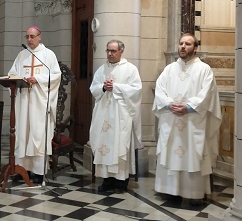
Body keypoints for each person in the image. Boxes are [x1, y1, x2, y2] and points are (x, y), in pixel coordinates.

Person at [153, 33, 222, 203]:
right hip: (171, 119)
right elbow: (159, 89)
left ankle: (192, 193)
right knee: (171, 150)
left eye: (188, 44)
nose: (183, 47)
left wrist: (189, 107)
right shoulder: (169, 69)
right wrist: (169, 104)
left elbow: (207, 94)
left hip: (193, 122)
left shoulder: (204, 69)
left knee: (192, 153)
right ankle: (169, 191)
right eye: (181, 43)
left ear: (195, 48)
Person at [8, 26, 61, 184]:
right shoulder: (21, 55)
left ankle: (38, 171)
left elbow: (56, 75)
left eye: (32, 36)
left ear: (40, 37)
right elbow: (12, 73)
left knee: (38, 134)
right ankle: (21, 169)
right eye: (27, 37)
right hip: (24, 100)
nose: (29, 40)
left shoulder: (48, 55)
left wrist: (38, 79)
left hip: (39, 101)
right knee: (23, 133)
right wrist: (20, 79)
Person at [89, 39, 142, 193]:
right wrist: (103, 88)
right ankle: (107, 180)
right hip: (104, 113)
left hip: (121, 115)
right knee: (104, 145)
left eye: (113, 51)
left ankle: (121, 182)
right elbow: (94, 88)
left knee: (119, 145)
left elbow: (136, 90)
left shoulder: (130, 69)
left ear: (121, 51)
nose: (110, 54)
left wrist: (116, 87)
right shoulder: (101, 69)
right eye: (108, 51)